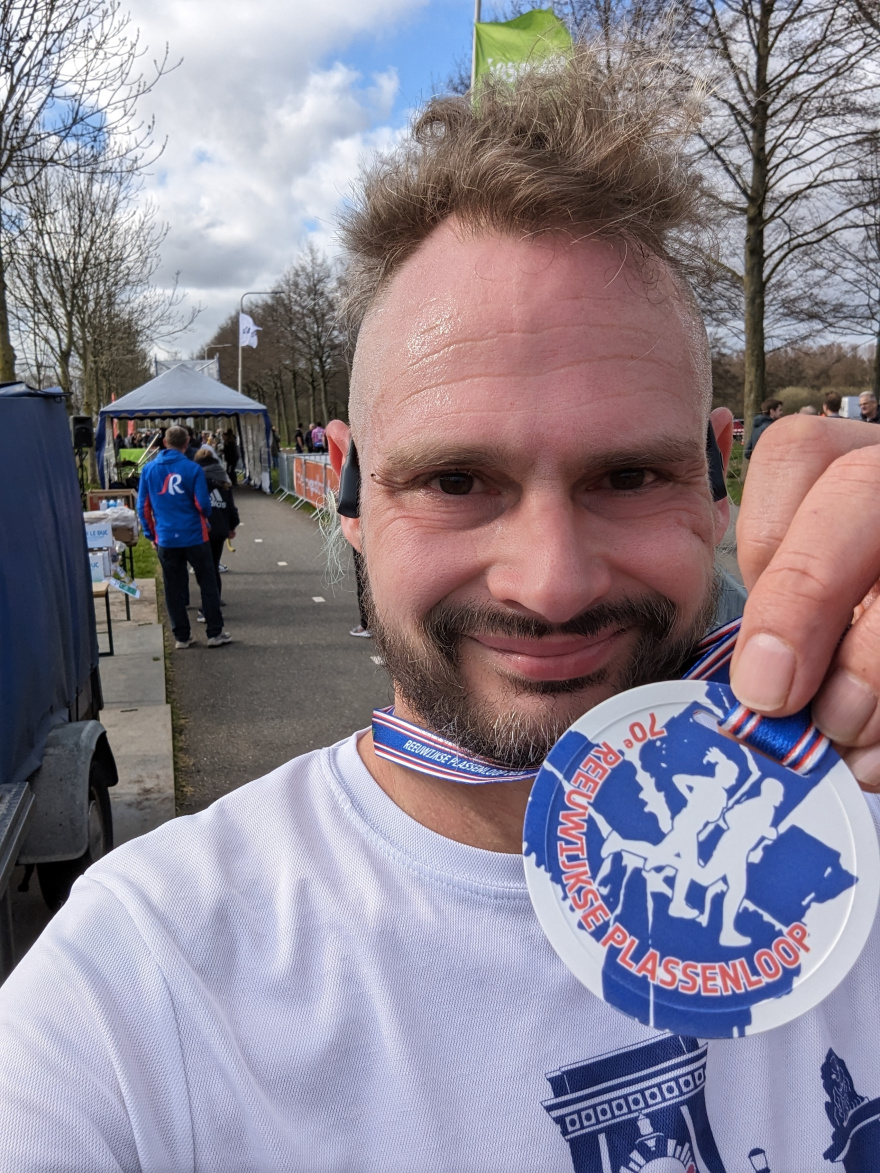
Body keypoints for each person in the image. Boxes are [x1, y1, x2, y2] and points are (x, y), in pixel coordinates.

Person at [4, 45, 880, 1170]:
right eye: (457, 482)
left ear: (718, 479)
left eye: (627, 477)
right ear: (352, 487)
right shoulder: (153, 977)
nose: (551, 582)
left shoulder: (853, 823)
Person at [134, 424, 231, 650]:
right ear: (186, 443)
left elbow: (143, 507)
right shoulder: (192, 469)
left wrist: (150, 534)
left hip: (166, 538)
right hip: (194, 535)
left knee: (173, 588)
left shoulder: (149, 470)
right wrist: (203, 515)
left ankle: (181, 636)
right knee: (207, 583)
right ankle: (214, 632)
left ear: (164, 442)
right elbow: (203, 504)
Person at [194, 446, 239, 618]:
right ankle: (215, 600)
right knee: (213, 566)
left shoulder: (196, 480)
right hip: (220, 530)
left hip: (202, 529)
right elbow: (231, 508)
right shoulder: (223, 481)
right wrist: (232, 527)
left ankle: (208, 607)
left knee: (204, 570)